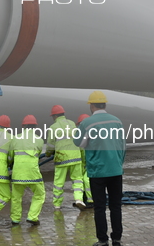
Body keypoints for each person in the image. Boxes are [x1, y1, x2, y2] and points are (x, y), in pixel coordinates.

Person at [74, 91, 126, 246]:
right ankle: (117, 239)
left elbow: (78, 143)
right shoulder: (117, 121)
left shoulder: (87, 123)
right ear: (105, 104)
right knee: (116, 206)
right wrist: (118, 164)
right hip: (116, 170)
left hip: (98, 172)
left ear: (91, 105)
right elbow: (123, 146)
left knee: (99, 207)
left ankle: (102, 240)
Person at [45, 104, 85, 209]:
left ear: (54, 116)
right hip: (75, 156)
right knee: (77, 180)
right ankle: (79, 199)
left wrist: (49, 153)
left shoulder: (53, 127)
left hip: (61, 158)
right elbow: (78, 140)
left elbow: (50, 145)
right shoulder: (72, 123)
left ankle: (57, 204)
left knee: (59, 182)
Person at [10, 115, 45, 226]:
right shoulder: (39, 140)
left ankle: (15, 219)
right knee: (39, 194)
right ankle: (32, 217)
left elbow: (10, 157)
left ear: (23, 126)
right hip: (33, 173)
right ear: (35, 126)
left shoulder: (15, 138)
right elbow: (38, 155)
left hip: (18, 173)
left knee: (16, 197)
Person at [76, 113, 94, 208]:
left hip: (90, 164)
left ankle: (91, 200)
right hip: (83, 164)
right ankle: (83, 198)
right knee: (80, 180)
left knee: (87, 180)